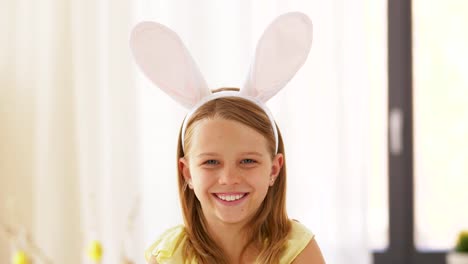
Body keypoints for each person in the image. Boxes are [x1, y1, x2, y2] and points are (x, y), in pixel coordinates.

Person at [130, 12, 325, 264]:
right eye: (211, 162)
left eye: (248, 161)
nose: (229, 178)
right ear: (187, 172)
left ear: (274, 169)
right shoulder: (167, 256)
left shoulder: (299, 251)